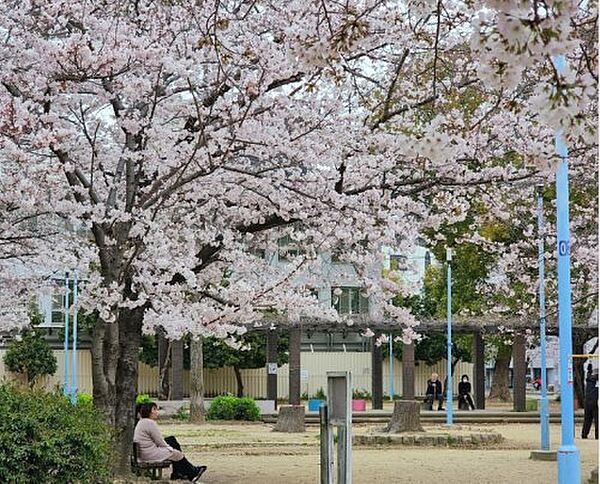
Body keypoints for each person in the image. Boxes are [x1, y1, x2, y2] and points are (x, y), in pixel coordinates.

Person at [134, 402, 207, 481]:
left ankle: (183, 472)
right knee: (177, 453)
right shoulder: (150, 423)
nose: (157, 412)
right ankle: (191, 472)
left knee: (172, 442)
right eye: (154, 409)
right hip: (149, 453)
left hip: (144, 451)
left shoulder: (142, 422)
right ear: (149, 411)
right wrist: (170, 448)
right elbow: (159, 442)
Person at [582, 364, 598, 440]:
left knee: (587, 420)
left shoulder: (588, 379)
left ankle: (584, 434)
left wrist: (590, 364)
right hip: (595, 403)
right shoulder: (597, 382)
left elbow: (589, 371)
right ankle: (597, 435)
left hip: (587, 402)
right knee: (597, 420)